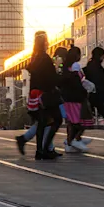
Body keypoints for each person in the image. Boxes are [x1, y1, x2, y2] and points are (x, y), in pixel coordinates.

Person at [22, 31, 62, 160]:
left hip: (36, 94)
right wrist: (57, 67)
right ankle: (45, 149)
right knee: (57, 120)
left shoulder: (35, 58)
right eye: (47, 41)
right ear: (44, 43)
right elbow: (51, 78)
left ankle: (40, 150)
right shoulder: (45, 58)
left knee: (42, 122)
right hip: (46, 95)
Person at [59, 46, 94, 152]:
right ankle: (73, 140)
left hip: (69, 97)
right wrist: (84, 90)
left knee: (73, 121)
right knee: (79, 121)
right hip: (75, 98)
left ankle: (72, 141)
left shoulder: (66, 67)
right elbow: (76, 81)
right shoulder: (74, 67)